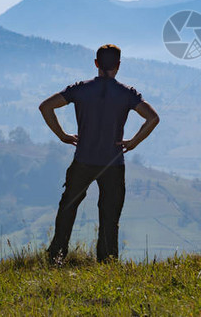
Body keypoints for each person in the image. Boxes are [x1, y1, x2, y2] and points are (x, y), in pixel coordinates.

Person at [39, 43, 159, 263]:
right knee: (110, 214)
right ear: (118, 66)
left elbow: (45, 106)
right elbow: (153, 118)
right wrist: (133, 142)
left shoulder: (80, 89)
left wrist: (62, 135)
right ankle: (107, 261)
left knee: (68, 208)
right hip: (113, 163)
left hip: (83, 160)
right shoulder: (127, 93)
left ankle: (56, 256)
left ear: (96, 63)